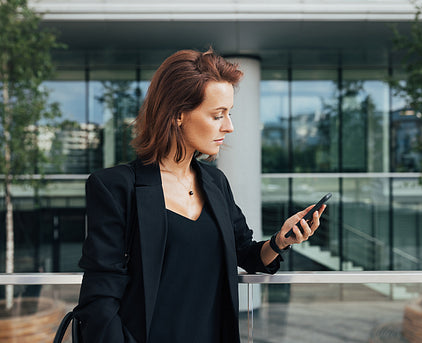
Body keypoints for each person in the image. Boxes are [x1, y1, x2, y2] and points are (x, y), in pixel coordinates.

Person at [74, 48, 326, 343]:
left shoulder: (215, 182)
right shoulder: (115, 187)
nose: (229, 126)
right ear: (178, 114)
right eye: (218, 115)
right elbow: (99, 301)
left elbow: (246, 252)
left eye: (229, 114)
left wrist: (281, 240)